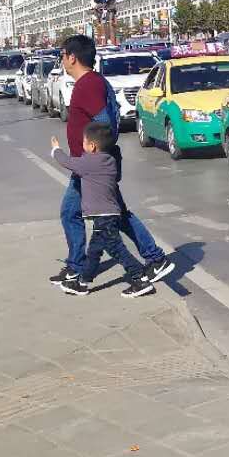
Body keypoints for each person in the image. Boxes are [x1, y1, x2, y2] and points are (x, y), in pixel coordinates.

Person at [50, 35, 174, 290]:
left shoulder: (88, 85)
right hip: (92, 166)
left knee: (83, 214)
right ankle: (150, 258)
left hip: (91, 168)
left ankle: (150, 259)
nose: (61, 60)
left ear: (72, 57)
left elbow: (105, 123)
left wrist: (95, 158)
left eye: (62, 55)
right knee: (109, 212)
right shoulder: (94, 81)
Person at [51, 123, 154, 298]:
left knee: (116, 249)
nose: (82, 145)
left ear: (92, 146)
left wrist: (56, 150)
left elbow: (66, 162)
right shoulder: (110, 161)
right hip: (109, 214)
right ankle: (82, 283)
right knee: (94, 252)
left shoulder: (89, 163)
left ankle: (140, 278)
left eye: (84, 142)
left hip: (103, 217)